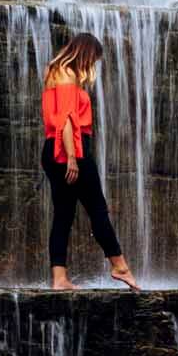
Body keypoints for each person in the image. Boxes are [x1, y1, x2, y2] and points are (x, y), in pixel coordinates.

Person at [40, 32, 138, 291]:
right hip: (70, 149)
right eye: (92, 59)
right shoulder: (67, 74)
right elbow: (67, 119)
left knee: (63, 215)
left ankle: (59, 278)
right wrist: (72, 157)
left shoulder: (55, 71)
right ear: (84, 52)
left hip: (54, 149)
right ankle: (120, 265)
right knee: (97, 209)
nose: (92, 65)